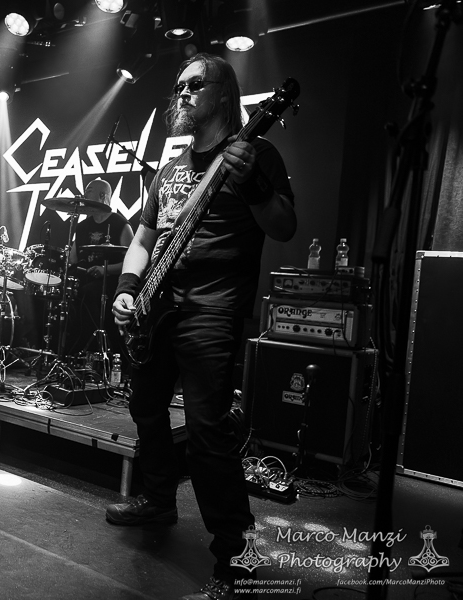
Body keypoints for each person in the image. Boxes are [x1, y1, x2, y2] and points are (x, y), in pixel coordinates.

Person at [107, 53, 296, 600]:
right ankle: (157, 500)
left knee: (209, 431)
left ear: (224, 93)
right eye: (179, 86)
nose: (183, 93)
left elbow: (285, 225)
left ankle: (237, 553)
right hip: (158, 306)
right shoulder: (170, 170)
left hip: (214, 308)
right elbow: (143, 240)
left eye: (195, 84)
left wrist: (253, 184)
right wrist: (127, 288)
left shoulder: (254, 152)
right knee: (145, 406)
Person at [66, 178, 134, 359]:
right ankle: (67, 351)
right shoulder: (82, 227)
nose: (84, 195)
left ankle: (93, 348)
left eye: (89, 191)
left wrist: (106, 269)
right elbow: (72, 259)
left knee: (88, 293)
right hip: (85, 278)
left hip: (111, 282)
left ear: (102, 195)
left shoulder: (121, 224)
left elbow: (132, 263)